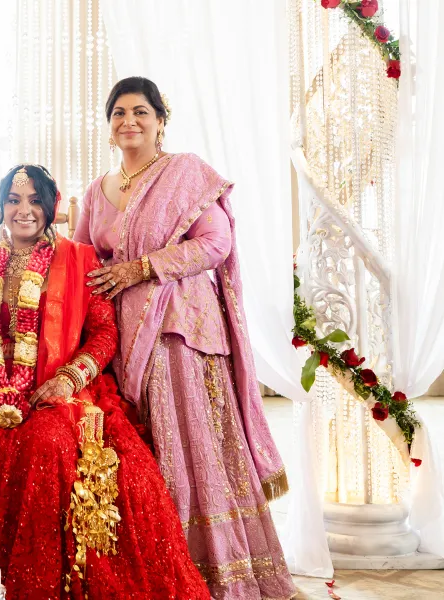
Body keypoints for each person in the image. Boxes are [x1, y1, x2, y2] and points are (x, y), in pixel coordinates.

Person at [0, 164, 210, 599]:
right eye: (14, 201)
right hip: (0, 389)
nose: (24, 210)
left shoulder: (79, 258)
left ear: (51, 207)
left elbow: (105, 334)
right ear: (2, 209)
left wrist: (70, 378)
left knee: (47, 448)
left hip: (62, 386)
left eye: (35, 200)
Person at [74, 76, 296, 599]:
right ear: (109, 127)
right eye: (119, 113)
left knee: (188, 444)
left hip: (181, 327)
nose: (129, 120)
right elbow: (83, 258)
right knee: (144, 447)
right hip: (123, 335)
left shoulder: (186, 173)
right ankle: (156, 569)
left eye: (140, 112)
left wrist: (143, 268)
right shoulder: (95, 191)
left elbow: (216, 242)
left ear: (160, 120)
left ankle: (212, 571)